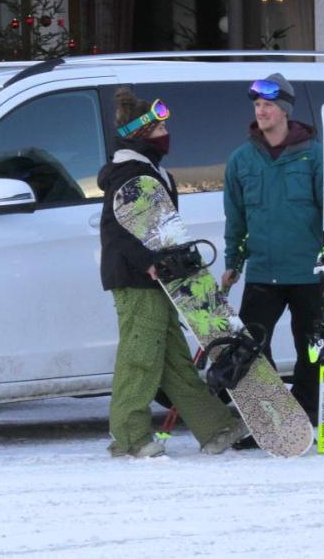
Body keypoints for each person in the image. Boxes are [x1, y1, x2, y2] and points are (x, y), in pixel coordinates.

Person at [99, 88, 249, 458]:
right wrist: (147, 261)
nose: (165, 135)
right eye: (157, 130)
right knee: (141, 354)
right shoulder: (128, 174)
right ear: (139, 135)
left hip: (160, 279)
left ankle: (215, 427)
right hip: (136, 281)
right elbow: (117, 233)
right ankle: (130, 435)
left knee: (172, 358)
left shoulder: (152, 171)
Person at [222, 73, 324, 442]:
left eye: (268, 106)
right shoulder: (242, 160)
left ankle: (306, 417)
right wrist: (233, 263)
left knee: (310, 349)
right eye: (258, 105)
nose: (261, 112)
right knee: (250, 349)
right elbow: (237, 218)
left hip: (310, 271)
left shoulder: (315, 154)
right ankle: (266, 418)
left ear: (284, 111)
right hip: (264, 270)